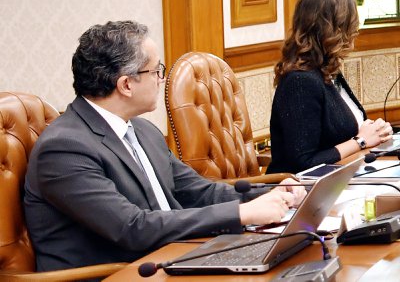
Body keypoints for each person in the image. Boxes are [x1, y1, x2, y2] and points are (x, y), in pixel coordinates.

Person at [23, 21, 302, 271]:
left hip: (173, 258)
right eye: (156, 70)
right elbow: (132, 228)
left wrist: (274, 195)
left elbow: (198, 191)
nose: (161, 78)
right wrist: (240, 214)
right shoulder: (64, 149)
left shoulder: (143, 131)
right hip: (121, 273)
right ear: (126, 85)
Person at [266, 0, 393, 175]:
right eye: (352, 24)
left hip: (343, 174)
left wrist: (376, 131)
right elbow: (303, 163)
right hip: (303, 187)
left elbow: (344, 131)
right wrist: (360, 141)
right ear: (333, 30)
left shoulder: (328, 71)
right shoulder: (300, 82)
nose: (356, 30)